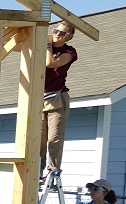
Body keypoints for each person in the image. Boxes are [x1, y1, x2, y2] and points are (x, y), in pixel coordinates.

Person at [42, 21, 77, 179]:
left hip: (57, 97)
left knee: (54, 138)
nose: (56, 34)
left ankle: (53, 170)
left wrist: (48, 44)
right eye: (55, 30)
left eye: (61, 33)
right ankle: (38, 171)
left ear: (68, 36)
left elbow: (50, 63)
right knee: (39, 140)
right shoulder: (41, 44)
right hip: (40, 98)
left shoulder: (69, 51)